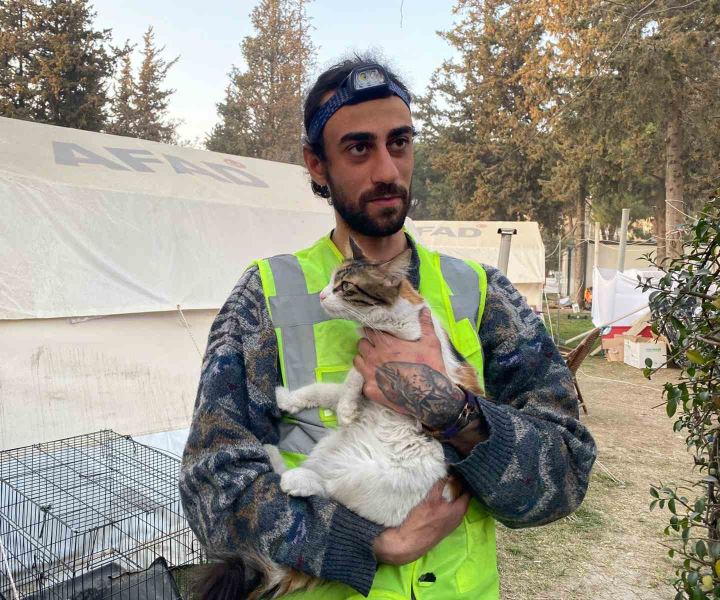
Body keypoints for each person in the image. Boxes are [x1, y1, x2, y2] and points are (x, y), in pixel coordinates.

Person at [180, 56, 597, 599]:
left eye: (399, 143)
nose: (387, 170)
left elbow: (564, 476)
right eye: (359, 148)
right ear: (316, 164)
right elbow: (211, 491)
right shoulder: (265, 296)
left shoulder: (482, 292)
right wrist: (370, 541)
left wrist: (454, 410)